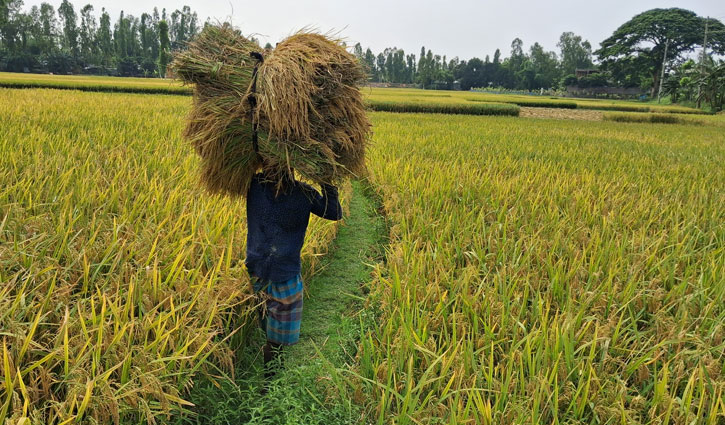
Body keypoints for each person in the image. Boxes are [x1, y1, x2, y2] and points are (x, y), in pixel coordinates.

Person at [245, 168, 342, 381]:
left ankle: (271, 381)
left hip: (283, 274)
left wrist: (326, 181)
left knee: (275, 339)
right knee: (268, 328)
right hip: (259, 271)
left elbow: (334, 213)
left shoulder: (303, 193)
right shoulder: (253, 185)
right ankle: (272, 378)